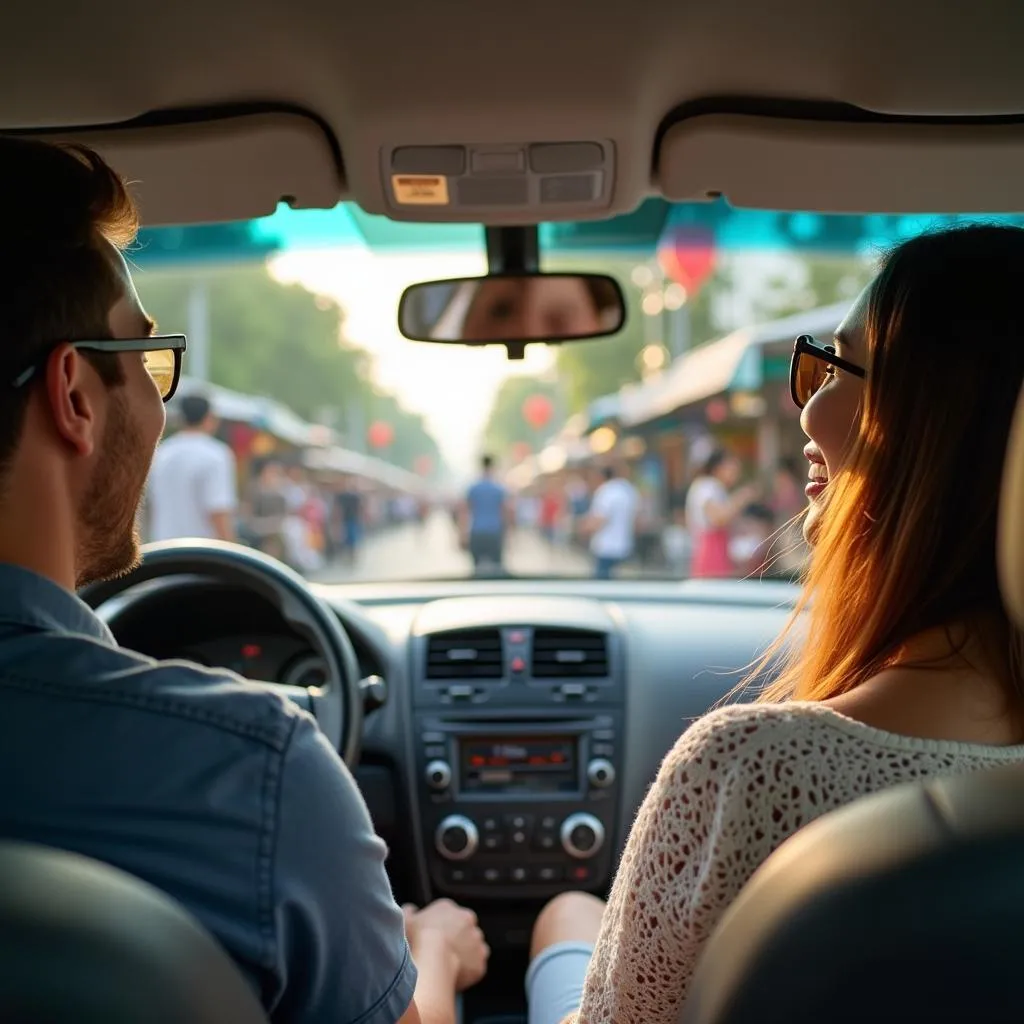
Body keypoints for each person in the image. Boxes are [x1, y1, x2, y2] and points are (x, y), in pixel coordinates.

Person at [0, 136, 486, 1024]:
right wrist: (435, 957)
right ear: (73, 394)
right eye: (147, 361)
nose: (159, 401)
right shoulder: (256, 769)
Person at [526, 224, 1024, 1024]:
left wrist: (433, 969)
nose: (808, 411)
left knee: (562, 918)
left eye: (838, 365)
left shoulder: (751, 773)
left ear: (937, 425)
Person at [147, 392, 238, 541]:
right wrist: (234, 553)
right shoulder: (216, 455)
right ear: (209, 418)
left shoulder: (162, 453)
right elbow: (219, 511)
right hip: (201, 554)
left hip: (163, 551)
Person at [684, 449, 757, 578]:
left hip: (716, 551)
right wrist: (742, 497)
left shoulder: (713, 487)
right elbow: (718, 518)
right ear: (719, 467)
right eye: (731, 466)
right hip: (710, 552)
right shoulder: (707, 485)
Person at [584, 464, 639, 579]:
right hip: (624, 546)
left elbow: (600, 520)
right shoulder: (628, 491)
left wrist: (585, 527)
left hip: (605, 547)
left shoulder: (606, 492)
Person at [460, 454, 509, 572]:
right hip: (494, 532)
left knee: (476, 568)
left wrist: (462, 534)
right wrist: (508, 535)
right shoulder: (499, 489)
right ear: (493, 466)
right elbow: (505, 513)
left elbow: (465, 512)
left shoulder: (473, 488)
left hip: (477, 532)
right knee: (497, 569)